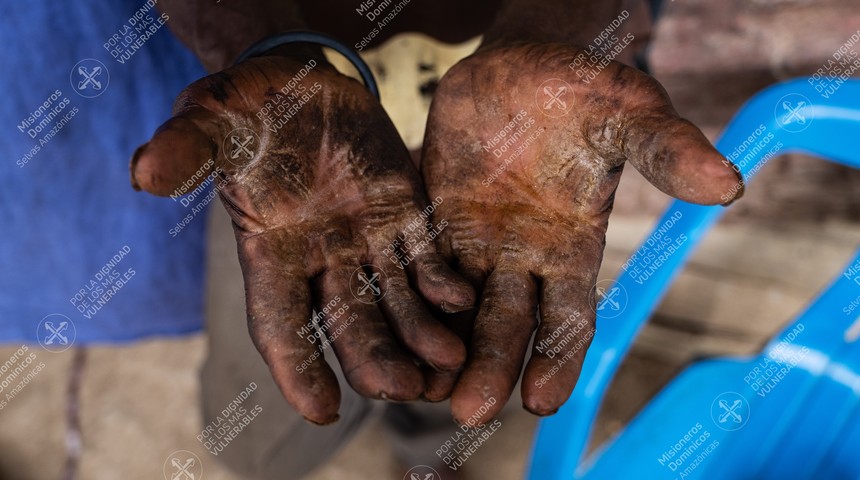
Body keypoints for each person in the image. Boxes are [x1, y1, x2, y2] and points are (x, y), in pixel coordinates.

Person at [130, 0, 743, 477]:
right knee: (261, 433)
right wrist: (270, 54)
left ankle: (426, 449)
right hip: (296, 149)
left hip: (520, 145)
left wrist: (547, 31)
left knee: (470, 350)